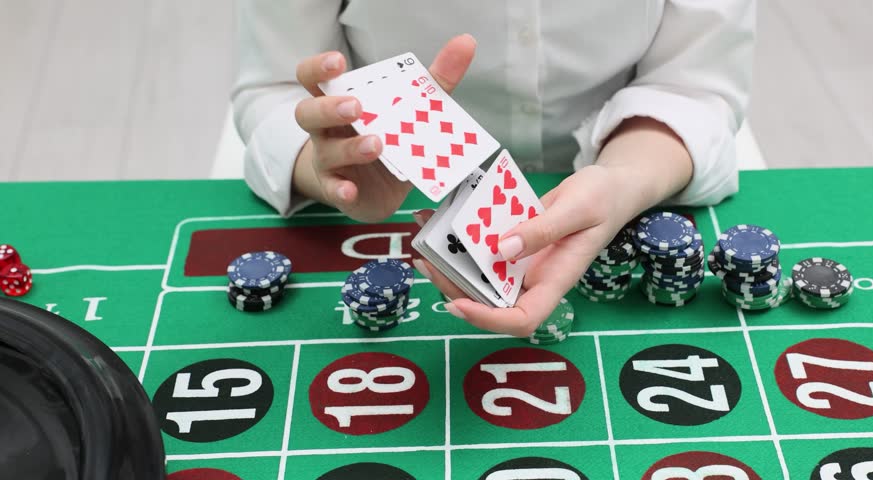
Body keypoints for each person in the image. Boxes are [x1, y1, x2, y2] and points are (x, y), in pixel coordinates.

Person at [233, 1, 756, 336]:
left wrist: (624, 180)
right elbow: (275, 89)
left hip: (632, 154)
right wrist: (331, 167)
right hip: (386, 165)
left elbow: (693, 84)